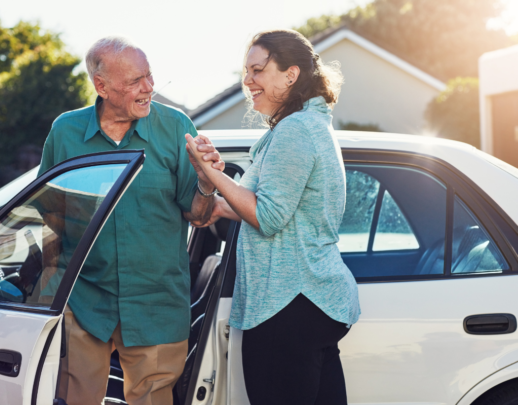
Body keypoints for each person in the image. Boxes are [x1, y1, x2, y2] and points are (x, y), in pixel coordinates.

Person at [37, 36, 223, 405]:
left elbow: (199, 216)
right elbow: (49, 214)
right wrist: (50, 290)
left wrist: (205, 183)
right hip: (85, 301)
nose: (149, 88)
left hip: (156, 303)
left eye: (150, 77)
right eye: (135, 81)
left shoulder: (175, 127)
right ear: (101, 86)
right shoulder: (65, 132)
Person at [185, 29, 361, 404]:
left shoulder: (296, 131)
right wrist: (215, 199)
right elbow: (272, 206)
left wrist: (213, 173)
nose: (248, 81)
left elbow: (268, 216)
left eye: (258, 70)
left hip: (290, 304)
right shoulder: (306, 125)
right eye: (246, 72)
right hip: (312, 303)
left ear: (290, 75)